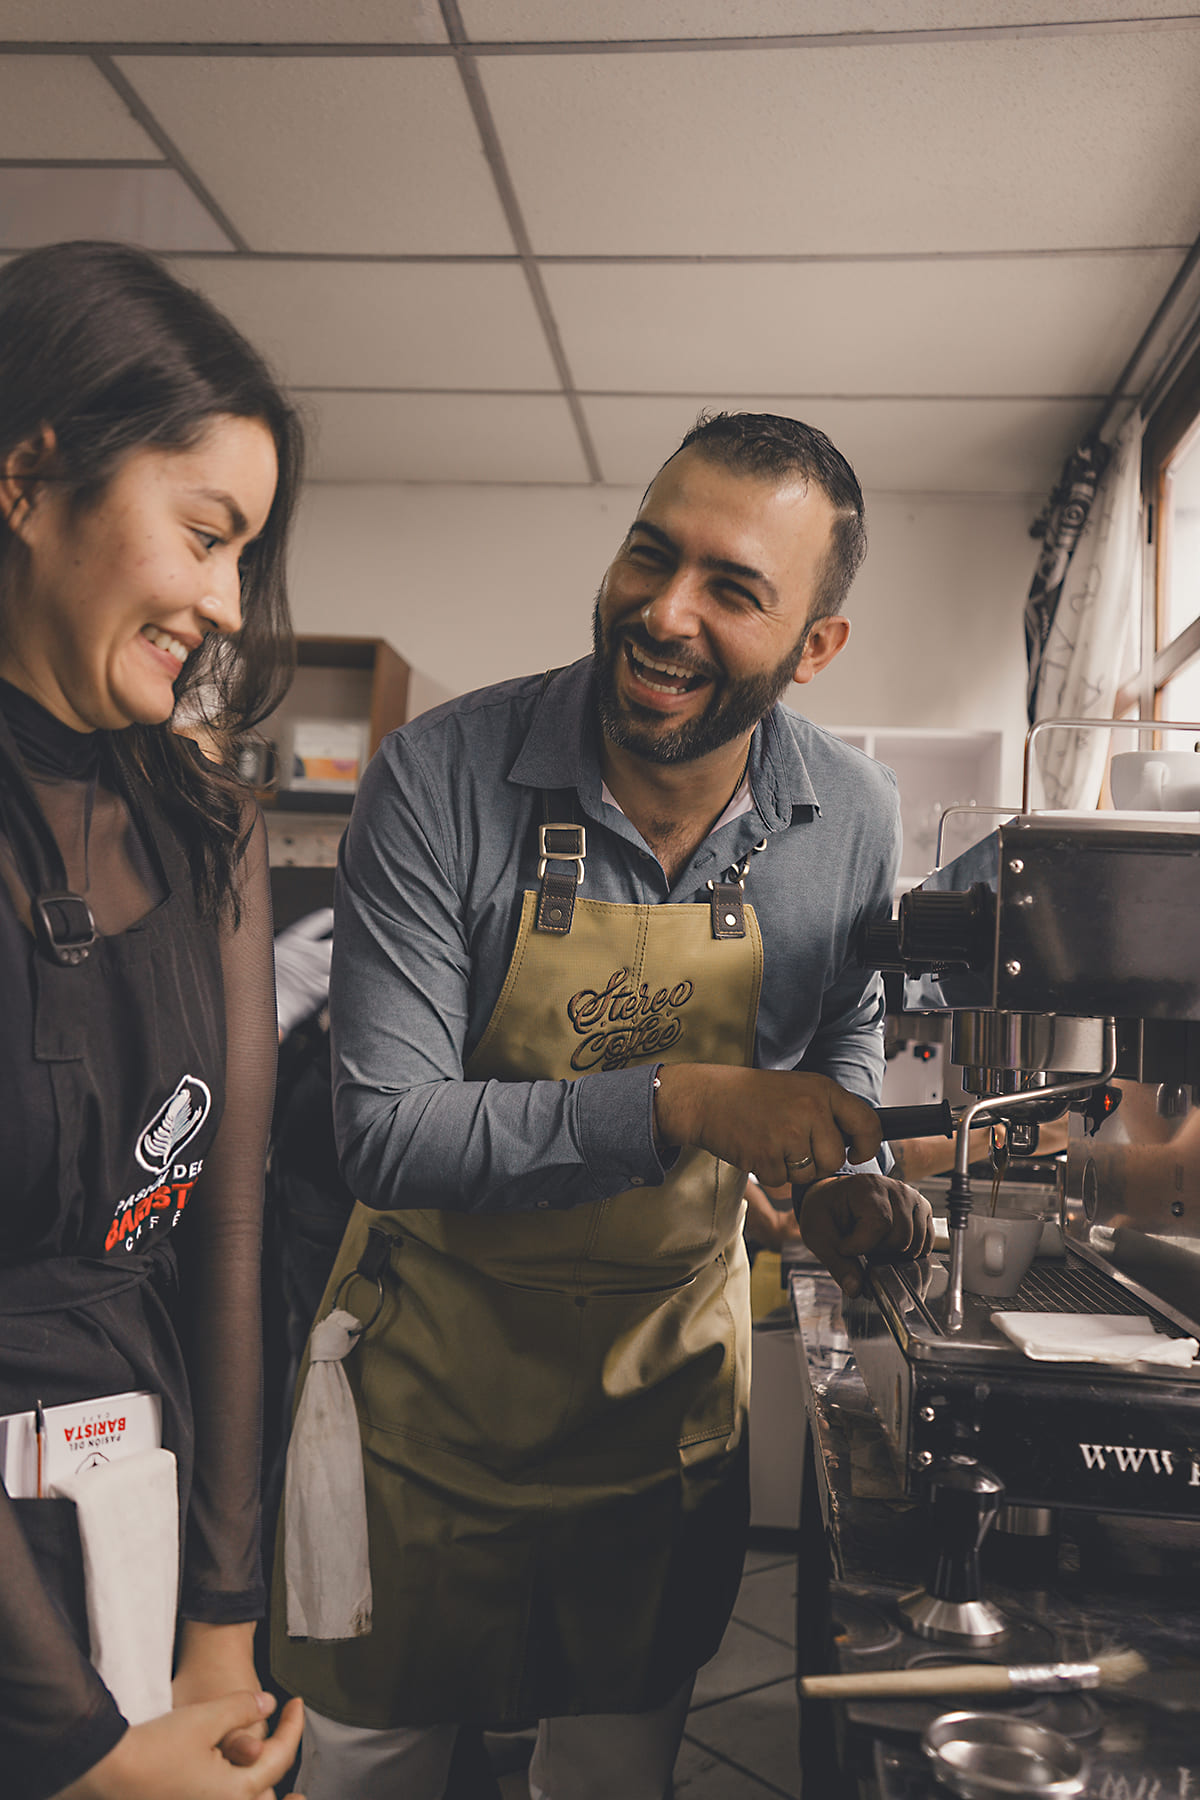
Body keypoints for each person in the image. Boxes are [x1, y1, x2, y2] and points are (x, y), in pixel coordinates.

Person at [273, 410, 933, 1799]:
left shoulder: (851, 816)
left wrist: (833, 1169)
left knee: (612, 1765)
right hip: (428, 1398)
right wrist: (681, 1100)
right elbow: (385, 1132)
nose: (665, 611)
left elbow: (842, 1028)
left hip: (661, 1402)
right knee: (371, 1762)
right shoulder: (439, 777)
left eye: (732, 587)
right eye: (650, 552)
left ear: (815, 646)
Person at [0, 241, 306, 1799]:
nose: (225, 603)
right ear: (29, 477)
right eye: (203, 534)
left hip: (141, 1498)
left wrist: (222, 1622)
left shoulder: (208, 833)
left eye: (245, 554)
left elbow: (222, 1233)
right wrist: (73, 1750)